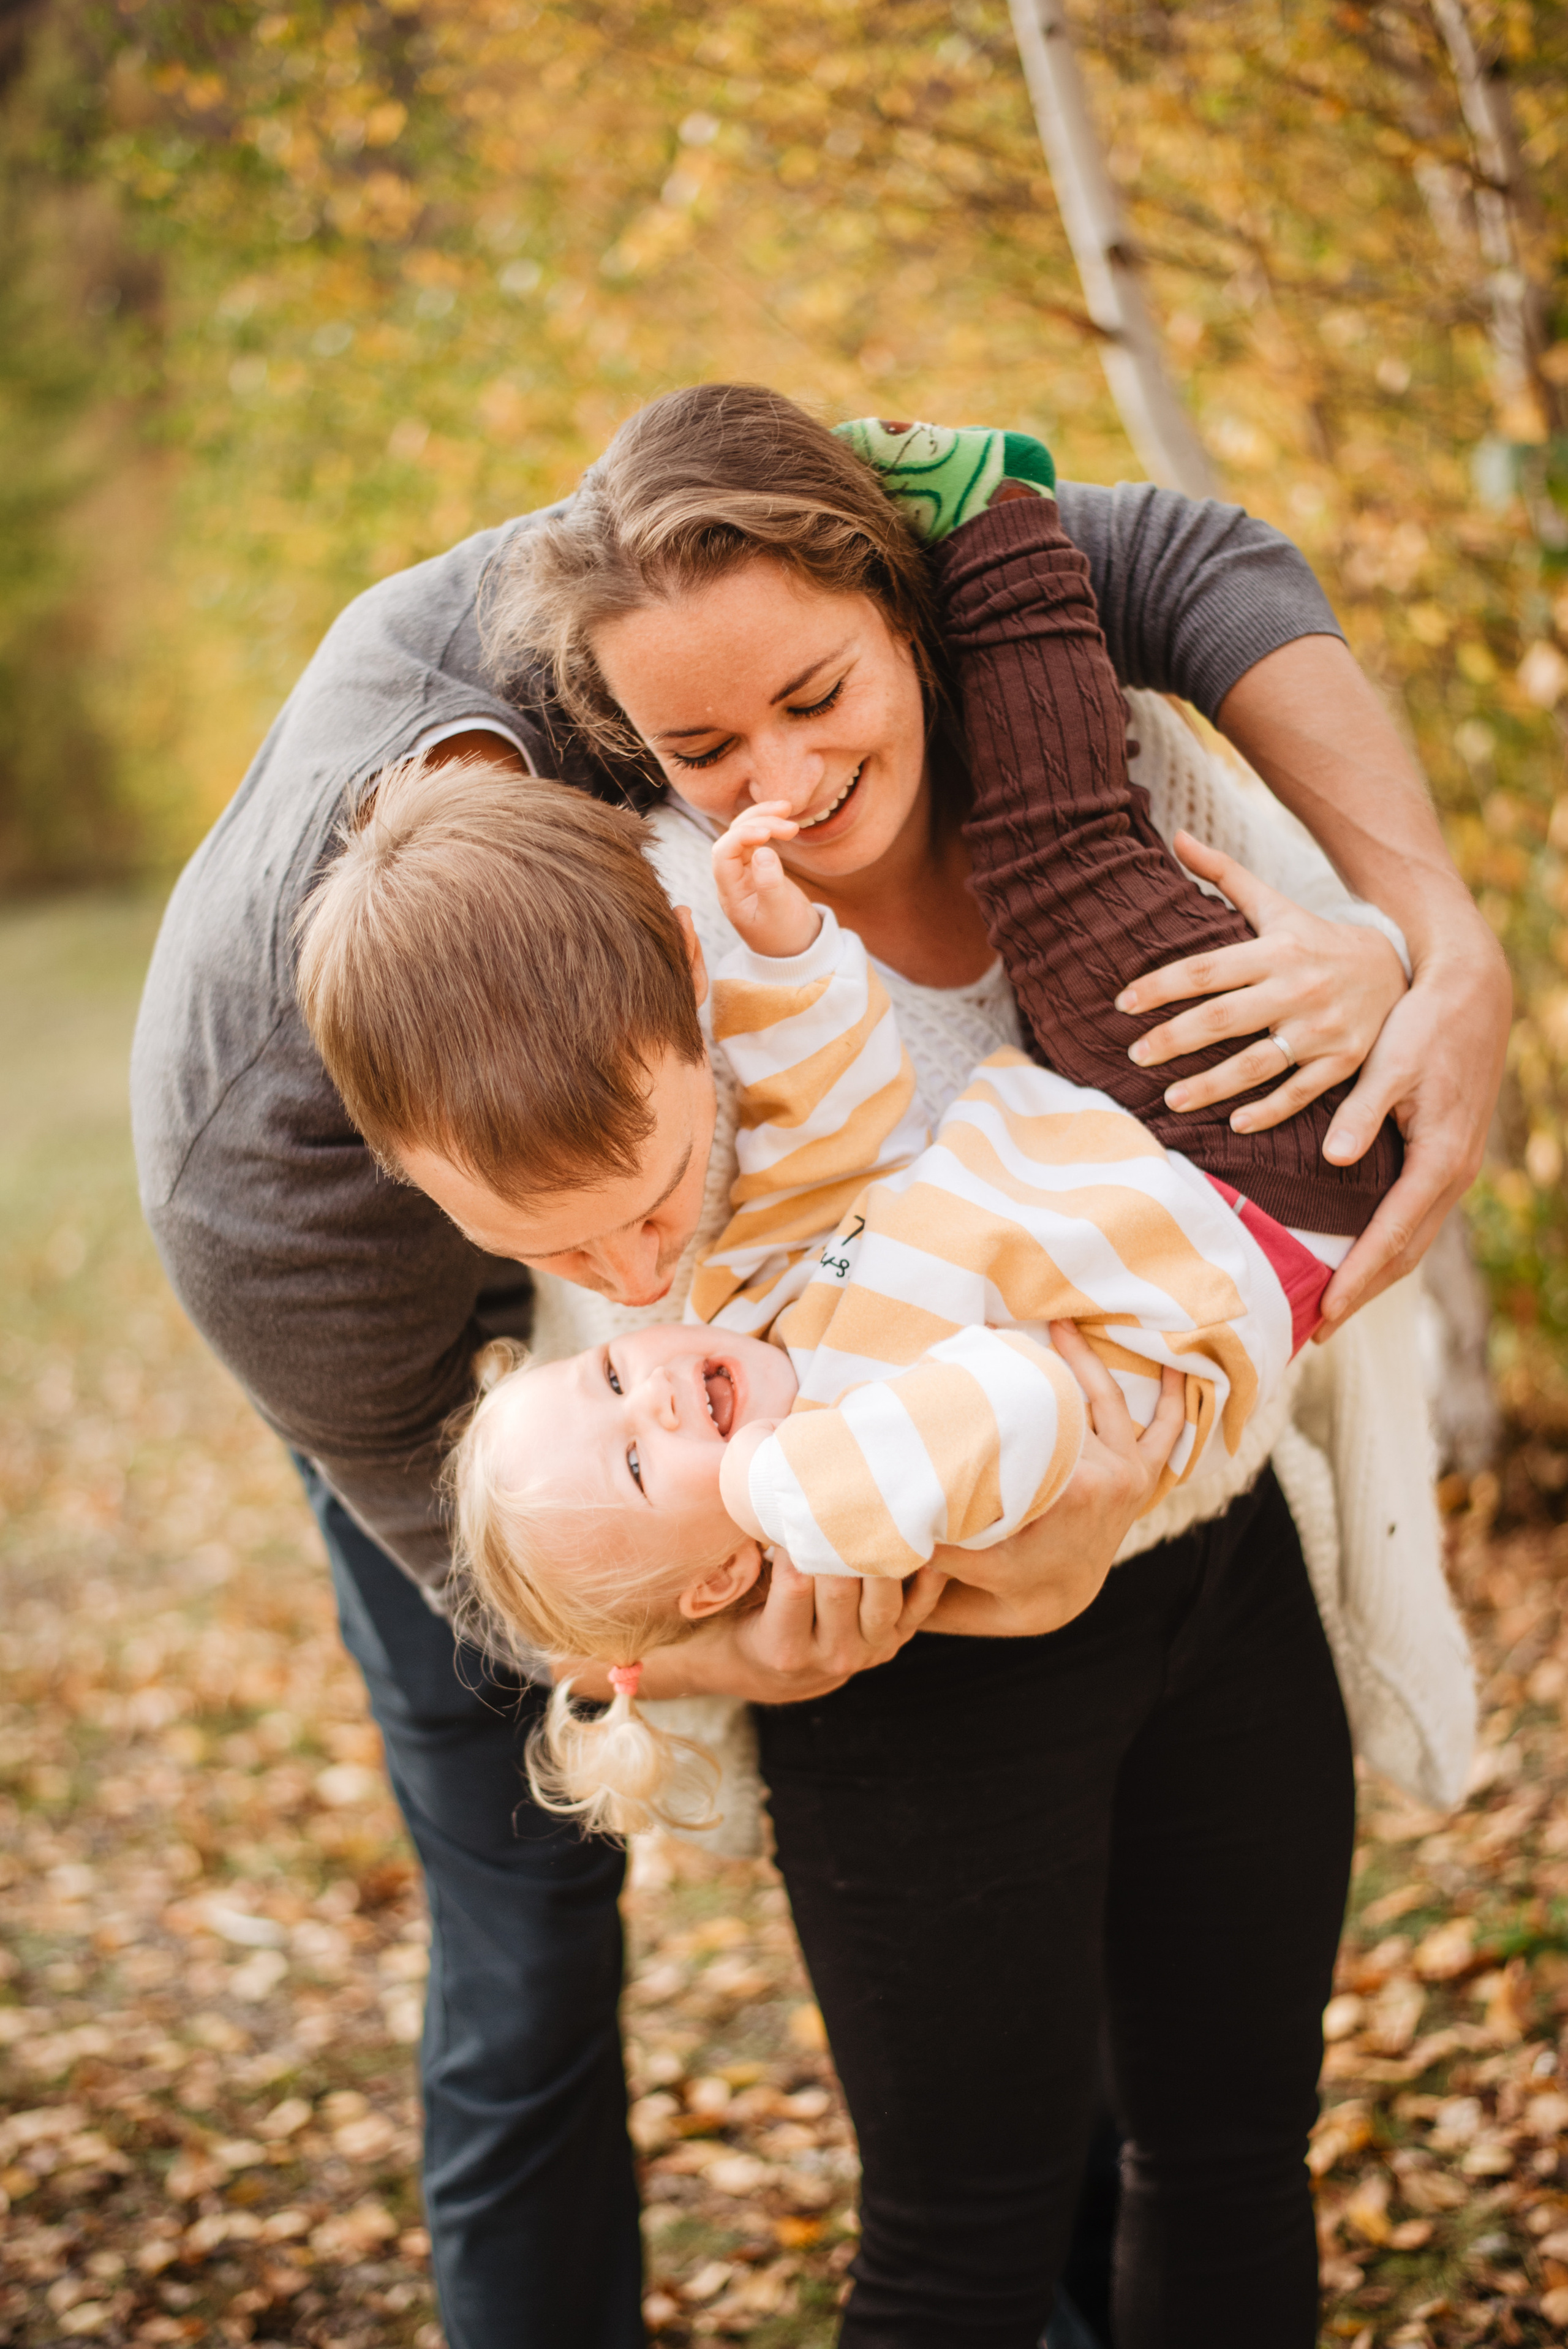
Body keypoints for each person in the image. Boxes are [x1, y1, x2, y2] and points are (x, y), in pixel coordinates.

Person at [129, 379, 1506, 2349]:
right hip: (468, 1466)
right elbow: (526, 1577)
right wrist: (722, 1640)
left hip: (1022, 1436)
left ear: (692, 1003)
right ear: (430, 1189)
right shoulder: (282, 1222)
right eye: (564, 1249)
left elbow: (1153, 567)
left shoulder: (646, 679)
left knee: (1163, 2096)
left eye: (661, 1190)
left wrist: (1422, 929)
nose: (636, 1277)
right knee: (530, 1953)